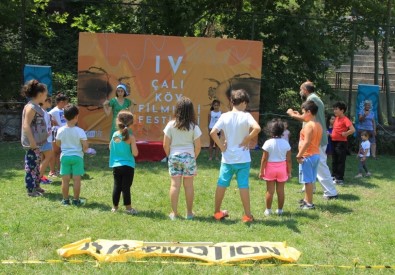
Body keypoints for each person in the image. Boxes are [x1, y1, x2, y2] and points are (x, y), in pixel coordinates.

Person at [210, 89, 261, 223]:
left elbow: (213, 132)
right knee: (243, 185)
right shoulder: (246, 116)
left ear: (232, 102)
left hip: (227, 158)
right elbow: (257, 128)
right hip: (243, 158)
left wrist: (221, 147)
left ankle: (217, 213)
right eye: (246, 104)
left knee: (222, 183)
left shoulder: (224, 116)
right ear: (243, 102)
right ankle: (247, 216)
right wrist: (247, 139)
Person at [287, 81, 338, 200]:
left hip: (315, 139)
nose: (300, 92)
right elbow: (308, 116)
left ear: (305, 90)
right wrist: (299, 114)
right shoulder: (314, 98)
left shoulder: (312, 99)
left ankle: (331, 192)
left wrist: (292, 114)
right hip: (317, 137)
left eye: (301, 89)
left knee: (320, 166)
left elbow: (306, 117)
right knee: (312, 165)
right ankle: (310, 188)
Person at [163, 97, 202, 220]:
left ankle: (174, 214)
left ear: (177, 109)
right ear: (191, 111)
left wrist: (170, 156)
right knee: (189, 186)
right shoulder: (193, 126)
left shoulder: (170, 125)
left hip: (174, 156)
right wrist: (193, 157)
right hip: (189, 157)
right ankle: (189, 213)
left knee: (175, 185)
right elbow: (198, 146)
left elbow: (165, 144)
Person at [56, 104, 89, 206]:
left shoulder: (60, 130)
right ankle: (76, 200)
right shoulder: (80, 131)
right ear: (76, 116)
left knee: (65, 180)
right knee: (76, 180)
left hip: (65, 157)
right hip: (77, 157)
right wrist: (84, 150)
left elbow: (58, 143)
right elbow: (85, 146)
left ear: (64, 117)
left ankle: (65, 200)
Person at [21, 80, 49, 197]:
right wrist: (32, 142)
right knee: (31, 166)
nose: (47, 96)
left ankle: (37, 186)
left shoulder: (36, 106)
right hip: (33, 144)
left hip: (37, 143)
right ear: (41, 94)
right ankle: (31, 190)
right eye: (46, 94)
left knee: (36, 166)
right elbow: (26, 125)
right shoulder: (31, 107)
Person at [259, 118, 291, 216]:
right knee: (281, 191)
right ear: (282, 131)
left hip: (270, 168)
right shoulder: (286, 143)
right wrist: (289, 172)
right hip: (282, 168)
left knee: (270, 191)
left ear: (270, 130)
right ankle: (280, 210)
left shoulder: (268, 143)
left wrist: (261, 171)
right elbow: (289, 160)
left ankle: (268, 210)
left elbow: (264, 159)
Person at [109, 111, 139, 214]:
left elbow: (110, 147)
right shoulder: (131, 138)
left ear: (118, 122)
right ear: (131, 124)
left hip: (116, 166)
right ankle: (129, 208)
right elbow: (135, 153)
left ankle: (115, 208)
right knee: (126, 187)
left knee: (117, 186)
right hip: (128, 166)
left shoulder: (115, 135)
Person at [296, 101, 322, 210]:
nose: (302, 115)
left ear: (309, 112)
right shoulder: (318, 125)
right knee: (310, 180)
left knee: (307, 181)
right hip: (315, 154)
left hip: (308, 156)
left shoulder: (308, 126)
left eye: (303, 113)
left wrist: (299, 155)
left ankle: (309, 204)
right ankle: (306, 200)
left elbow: (306, 142)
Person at [330, 101, 355, 185]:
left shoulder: (345, 119)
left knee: (340, 160)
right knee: (334, 160)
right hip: (334, 142)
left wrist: (346, 133)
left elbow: (352, 130)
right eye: (334, 109)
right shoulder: (336, 118)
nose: (334, 111)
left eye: (336, 109)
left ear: (342, 110)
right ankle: (333, 176)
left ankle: (339, 178)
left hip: (341, 143)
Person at [48, 92, 68, 177]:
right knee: (54, 152)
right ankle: (52, 171)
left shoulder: (64, 110)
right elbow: (48, 120)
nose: (67, 103)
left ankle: (59, 170)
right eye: (65, 102)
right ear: (61, 102)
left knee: (60, 152)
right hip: (55, 133)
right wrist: (53, 123)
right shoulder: (53, 111)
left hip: (63, 133)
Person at [39, 97, 54, 184]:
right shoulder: (43, 112)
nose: (51, 103)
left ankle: (41, 176)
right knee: (48, 157)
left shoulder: (45, 112)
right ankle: (39, 177)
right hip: (45, 139)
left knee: (43, 158)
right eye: (50, 101)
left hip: (46, 138)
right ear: (45, 102)